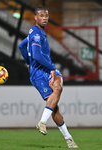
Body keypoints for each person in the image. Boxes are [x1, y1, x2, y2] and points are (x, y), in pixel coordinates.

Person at [19, 6, 78, 148]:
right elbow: (37, 55)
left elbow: (22, 46)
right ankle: (68, 138)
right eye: (41, 15)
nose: (44, 18)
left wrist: (28, 63)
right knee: (54, 107)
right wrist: (49, 67)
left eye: (46, 16)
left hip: (46, 69)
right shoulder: (37, 34)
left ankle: (42, 122)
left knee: (57, 89)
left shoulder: (34, 32)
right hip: (39, 74)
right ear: (35, 17)